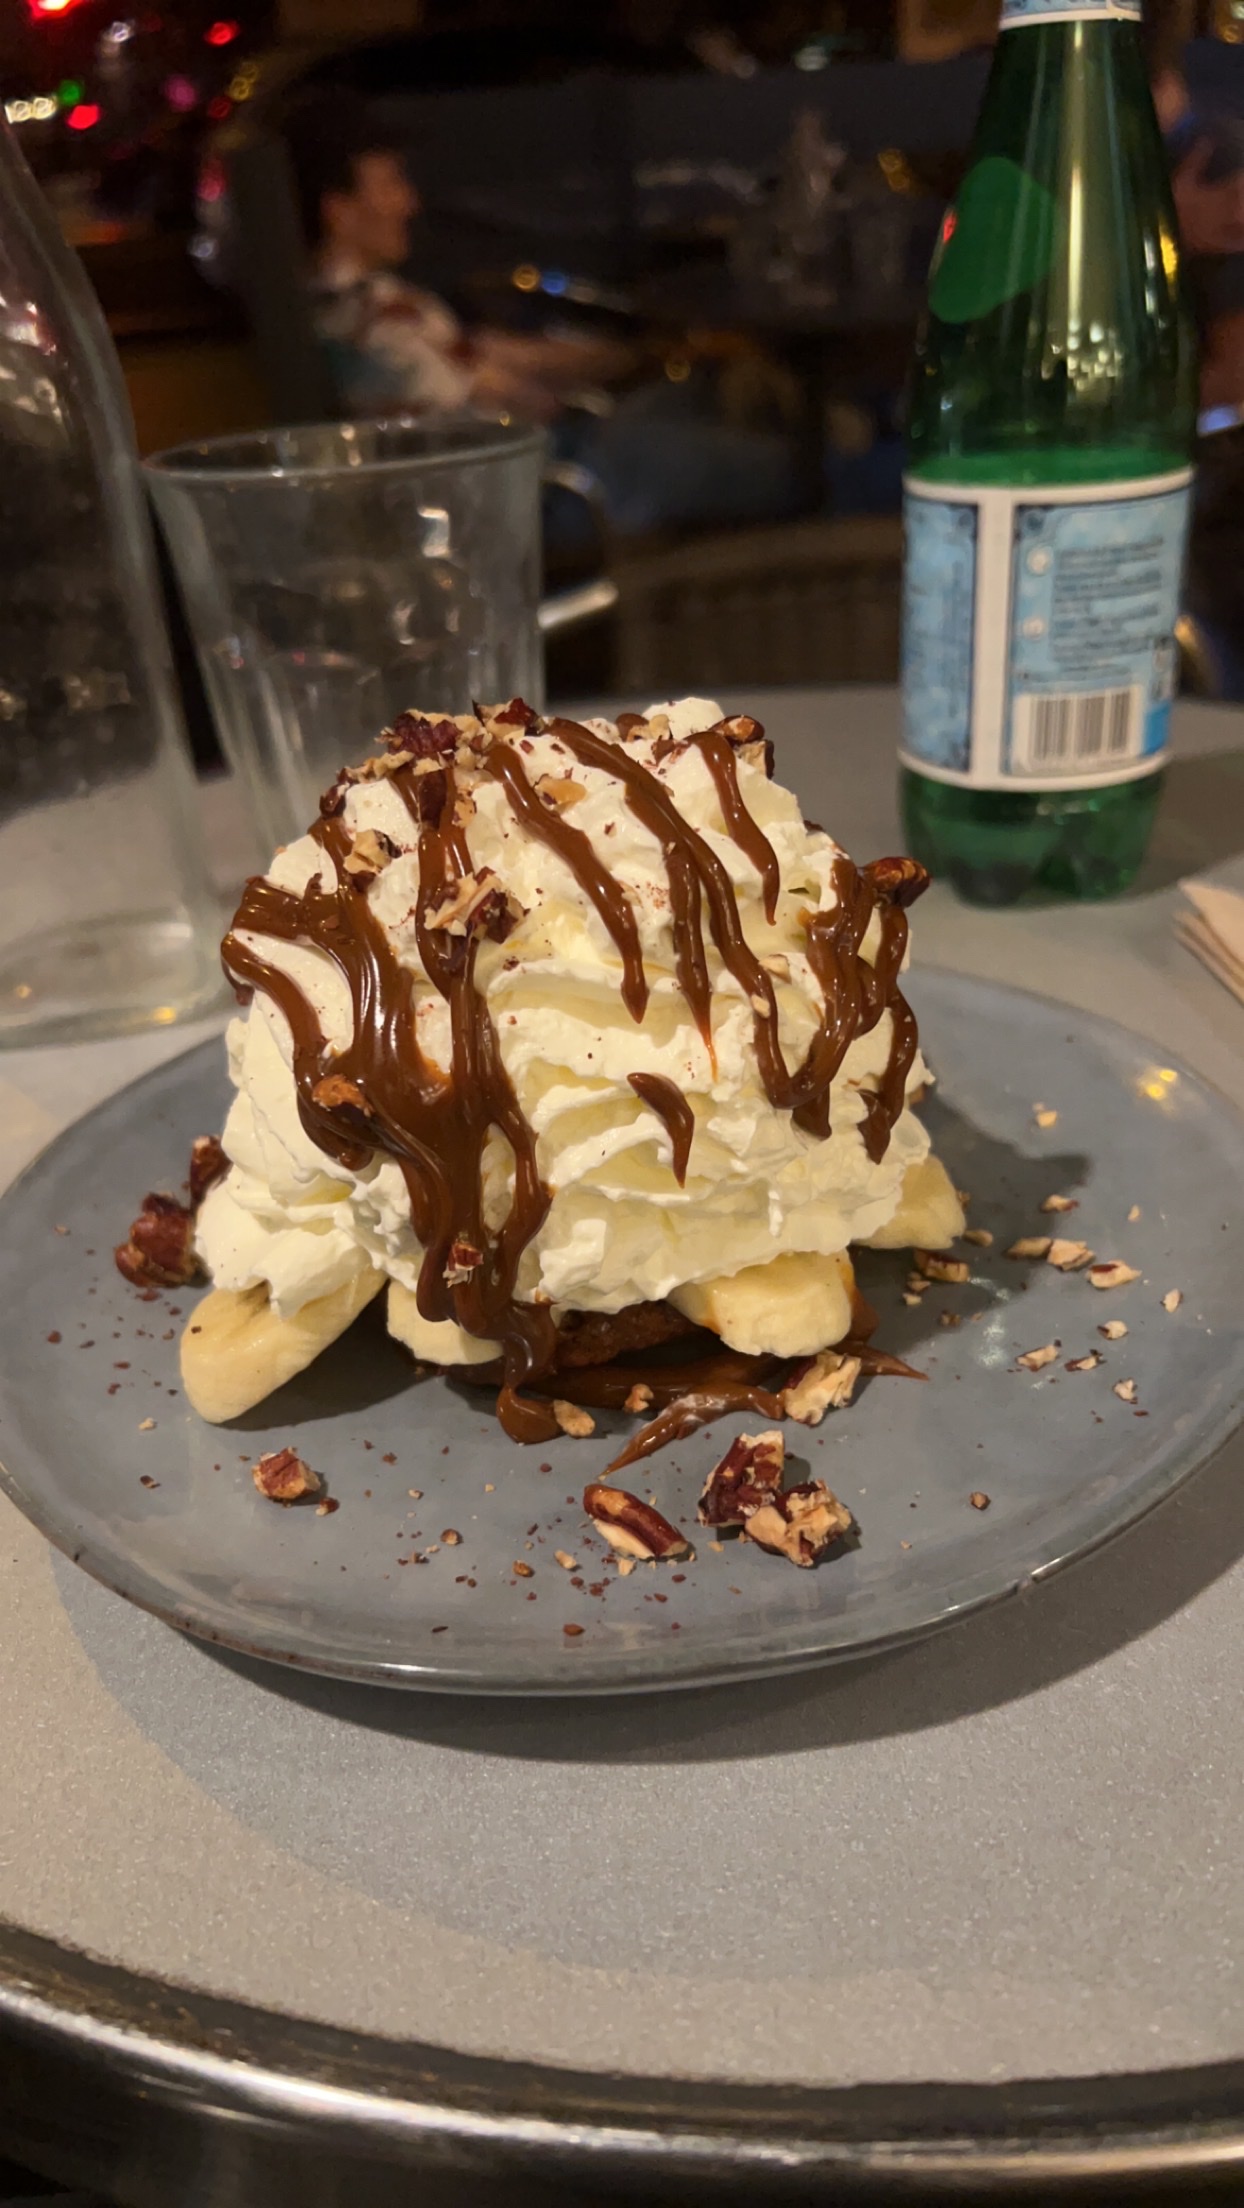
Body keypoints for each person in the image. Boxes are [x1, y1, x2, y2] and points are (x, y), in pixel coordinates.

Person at [276, 90, 806, 537]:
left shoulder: (377, 300)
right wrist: (632, 361)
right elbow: (503, 394)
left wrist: (656, 353)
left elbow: (493, 357)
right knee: (790, 465)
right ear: (340, 212)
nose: (410, 202)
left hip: (560, 458)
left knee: (705, 400)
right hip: (553, 489)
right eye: (392, 184)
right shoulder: (363, 326)